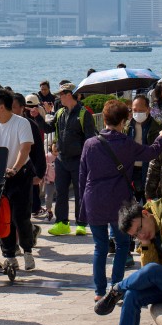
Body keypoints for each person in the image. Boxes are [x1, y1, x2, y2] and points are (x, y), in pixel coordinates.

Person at [79, 99, 162, 300]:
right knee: (121, 245)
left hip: (94, 199)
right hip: (119, 200)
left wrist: (82, 207)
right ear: (122, 121)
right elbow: (152, 152)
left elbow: (82, 176)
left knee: (99, 247)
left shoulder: (90, 144)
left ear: (104, 119)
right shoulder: (126, 144)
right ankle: (116, 287)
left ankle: (99, 291)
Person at [0, 88, 37, 270]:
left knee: (21, 217)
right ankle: (9, 255)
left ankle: (27, 250)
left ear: (2, 107)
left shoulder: (21, 123)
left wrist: (15, 169)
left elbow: (25, 148)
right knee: (3, 216)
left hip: (20, 175)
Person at [49, 82, 97, 236]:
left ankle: (81, 223)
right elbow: (49, 128)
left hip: (78, 160)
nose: (59, 98)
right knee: (61, 192)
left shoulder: (84, 114)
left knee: (80, 192)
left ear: (69, 95)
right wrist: (37, 116)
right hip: (62, 159)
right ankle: (61, 223)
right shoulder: (60, 113)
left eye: (61, 95)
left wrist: (87, 160)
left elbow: (90, 140)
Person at [127, 95, 162, 200]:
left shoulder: (157, 127)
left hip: (150, 171)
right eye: (134, 110)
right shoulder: (127, 126)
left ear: (148, 109)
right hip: (132, 170)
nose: (137, 113)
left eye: (141, 110)